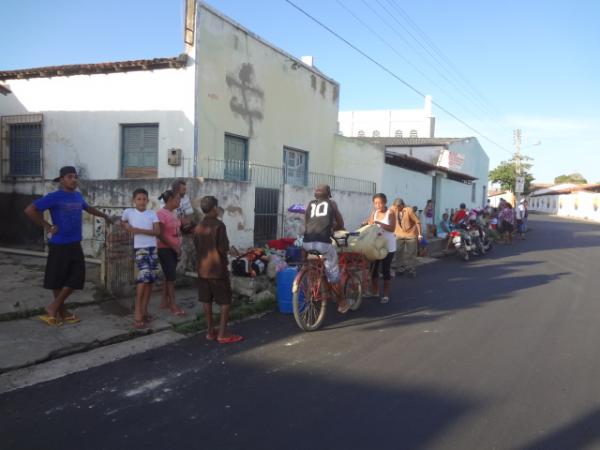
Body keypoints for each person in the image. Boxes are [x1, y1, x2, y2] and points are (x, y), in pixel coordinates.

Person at [24, 166, 112, 326]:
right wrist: (47, 226)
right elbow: (30, 210)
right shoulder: (54, 197)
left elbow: (88, 208)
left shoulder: (77, 196)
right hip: (59, 244)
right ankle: (61, 311)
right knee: (58, 279)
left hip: (74, 243)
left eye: (75, 177)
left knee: (77, 277)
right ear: (62, 179)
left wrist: (105, 215)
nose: (74, 180)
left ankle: (54, 307)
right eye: (70, 177)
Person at [193, 196, 243, 344]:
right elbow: (222, 248)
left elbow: (197, 247)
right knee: (225, 301)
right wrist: (231, 251)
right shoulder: (219, 225)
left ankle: (210, 331)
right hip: (217, 269)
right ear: (214, 208)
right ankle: (222, 333)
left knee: (206, 300)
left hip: (202, 269)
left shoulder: (198, 227)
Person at [303, 184, 350, 313]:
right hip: (323, 244)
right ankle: (342, 302)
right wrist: (332, 229)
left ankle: (317, 286)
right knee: (333, 275)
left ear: (315, 194)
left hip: (307, 243)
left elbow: (306, 224)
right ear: (328, 195)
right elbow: (341, 224)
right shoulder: (332, 204)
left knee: (316, 264)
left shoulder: (310, 204)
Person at [122, 188, 160, 329]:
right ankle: (137, 312)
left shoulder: (152, 214)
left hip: (152, 249)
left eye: (144, 199)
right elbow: (123, 222)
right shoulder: (129, 212)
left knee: (150, 281)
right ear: (134, 201)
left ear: (147, 201)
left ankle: (144, 310)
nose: (142, 201)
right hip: (140, 249)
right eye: (139, 199)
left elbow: (157, 231)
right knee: (143, 281)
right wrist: (127, 226)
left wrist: (138, 230)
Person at [157, 189, 186, 317]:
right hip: (165, 249)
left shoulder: (174, 212)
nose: (180, 201)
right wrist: (174, 246)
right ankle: (173, 305)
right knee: (171, 278)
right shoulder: (161, 214)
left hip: (174, 248)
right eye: (178, 199)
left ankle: (164, 301)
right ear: (170, 200)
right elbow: (160, 234)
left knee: (168, 275)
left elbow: (177, 229)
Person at [366, 193, 397, 304]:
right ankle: (375, 292)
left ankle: (386, 295)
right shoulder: (374, 212)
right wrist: (366, 224)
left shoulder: (391, 213)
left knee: (385, 270)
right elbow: (370, 224)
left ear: (385, 202)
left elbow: (392, 228)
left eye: (380, 203)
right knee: (373, 269)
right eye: (375, 203)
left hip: (388, 246)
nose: (378, 205)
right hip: (376, 245)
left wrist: (379, 223)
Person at [392, 198, 422, 278]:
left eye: (398, 206)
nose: (396, 208)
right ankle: (399, 269)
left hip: (410, 235)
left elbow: (417, 222)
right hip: (399, 235)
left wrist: (419, 234)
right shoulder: (394, 209)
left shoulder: (409, 210)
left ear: (402, 205)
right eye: (395, 207)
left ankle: (411, 270)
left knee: (411, 253)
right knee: (398, 252)